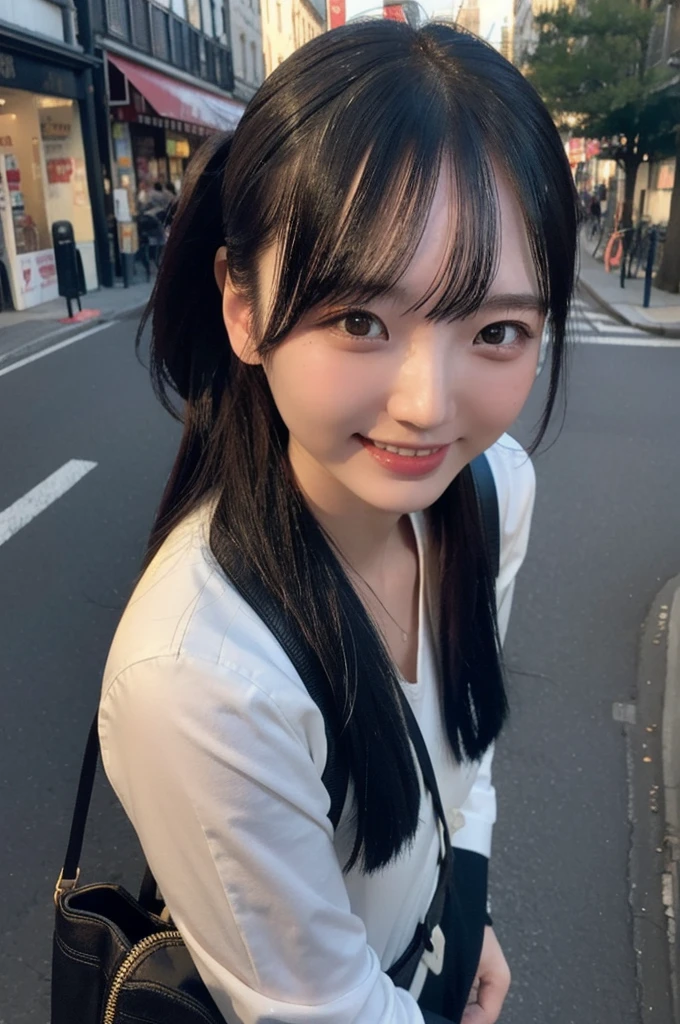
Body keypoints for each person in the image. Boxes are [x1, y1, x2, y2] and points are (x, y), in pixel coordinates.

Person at [99, 19, 578, 1024]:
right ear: (241, 304)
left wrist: (467, 901)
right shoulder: (202, 678)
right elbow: (318, 1007)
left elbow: (460, 750)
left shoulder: (494, 492)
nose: (425, 404)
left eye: (495, 330)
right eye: (358, 319)